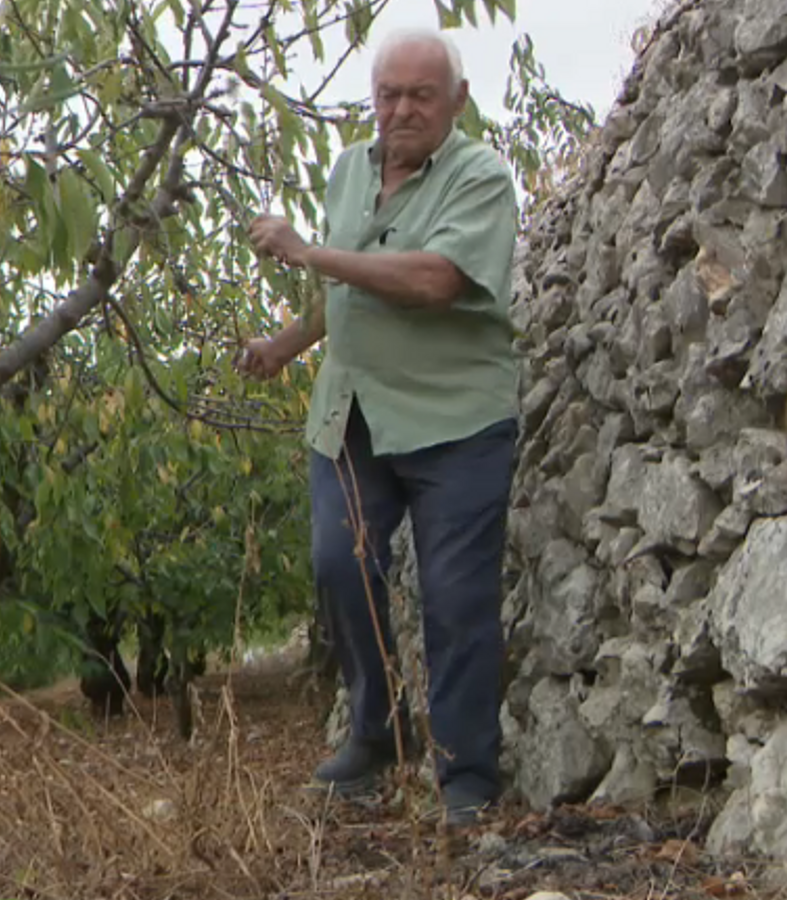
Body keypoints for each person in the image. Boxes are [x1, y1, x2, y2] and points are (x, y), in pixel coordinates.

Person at [236, 27, 520, 826]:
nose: (400, 111)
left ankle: (466, 777)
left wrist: (308, 251)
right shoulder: (348, 171)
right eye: (388, 94)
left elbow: (435, 279)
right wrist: (286, 345)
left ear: (457, 101)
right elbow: (349, 292)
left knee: (455, 596)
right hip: (351, 413)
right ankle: (378, 733)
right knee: (339, 562)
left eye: (420, 96)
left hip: (455, 419)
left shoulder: (480, 178)